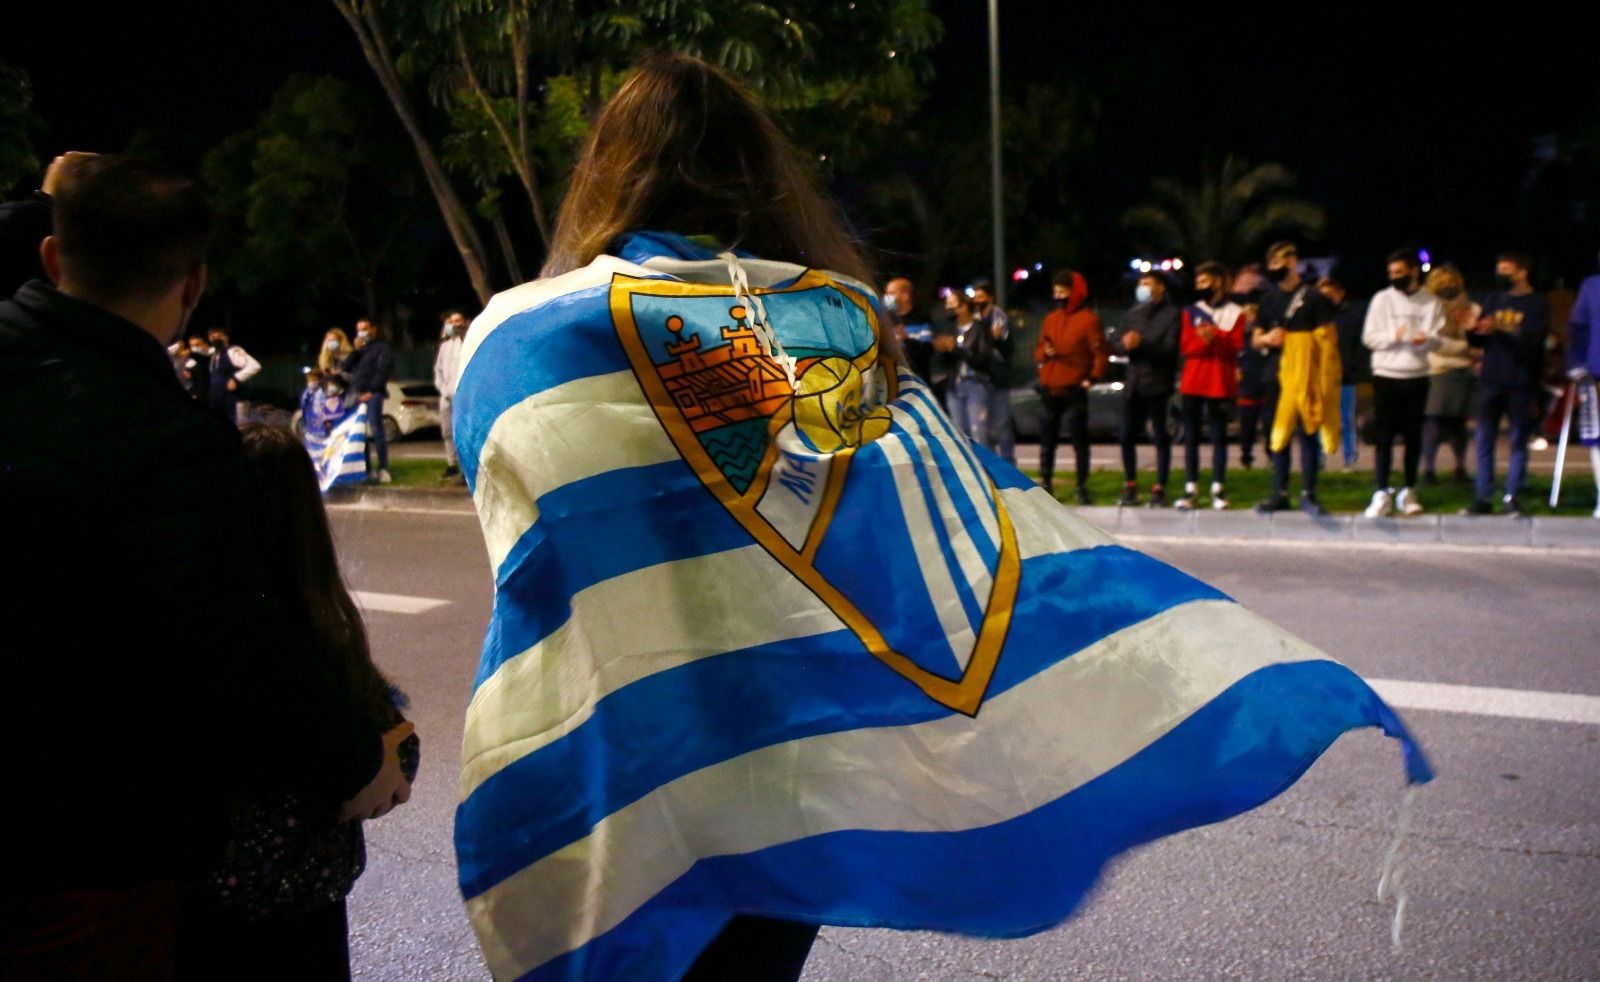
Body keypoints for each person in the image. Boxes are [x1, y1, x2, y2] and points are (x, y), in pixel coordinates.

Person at [451, 55, 1431, 982]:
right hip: (787, 769)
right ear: (758, 179)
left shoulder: (522, 339)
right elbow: (932, 533)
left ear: (606, 176)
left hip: (620, 763)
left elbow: (517, 518)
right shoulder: (834, 324)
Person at [0, 154, 407, 979]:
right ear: (192, 285)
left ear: (50, 257)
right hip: (80, 847)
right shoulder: (166, 442)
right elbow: (228, 634)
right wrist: (359, 757)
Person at [179, 424, 417, 980]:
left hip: (207, 898)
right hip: (306, 903)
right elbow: (392, 752)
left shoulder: (199, 613)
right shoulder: (319, 625)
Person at [1253, 241, 1340, 516]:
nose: (1275, 268)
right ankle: (1278, 492)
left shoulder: (1314, 298)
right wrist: (1267, 338)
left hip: (1306, 378)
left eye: (1281, 262)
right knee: (1277, 436)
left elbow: (1328, 340)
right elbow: (1256, 338)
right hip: (1274, 374)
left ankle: (1308, 493)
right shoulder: (1267, 300)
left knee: (1309, 433)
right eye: (1272, 263)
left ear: (1293, 262)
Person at [1361, 249, 1445, 517]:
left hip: (1417, 375)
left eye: (1399, 272)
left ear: (1412, 271)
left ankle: (1409, 490)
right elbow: (1369, 337)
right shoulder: (1382, 300)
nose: (1394, 277)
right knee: (1384, 437)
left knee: (1413, 437)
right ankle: (1382, 491)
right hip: (1386, 374)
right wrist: (1393, 337)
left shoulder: (1430, 302)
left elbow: (1439, 338)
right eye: (1391, 273)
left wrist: (1426, 340)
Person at [1464, 251, 1549, 515]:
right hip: (1491, 379)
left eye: (1506, 270)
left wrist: (1500, 329)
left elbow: (1534, 344)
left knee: (1517, 441)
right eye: (1499, 269)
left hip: (1520, 380)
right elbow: (1481, 340)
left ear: (1522, 272)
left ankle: (1512, 496)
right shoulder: (1494, 299)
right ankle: (1483, 497)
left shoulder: (1537, 303)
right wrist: (1471, 329)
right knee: (1484, 439)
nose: (1500, 275)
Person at [1174, 262, 1245, 510]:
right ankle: (1190, 487)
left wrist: (1215, 337)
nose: (1199, 287)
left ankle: (1218, 488)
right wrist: (1207, 341)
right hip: (1193, 381)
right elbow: (1187, 347)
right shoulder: (1191, 311)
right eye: (1198, 282)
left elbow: (1234, 347)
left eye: (1204, 282)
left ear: (1218, 282)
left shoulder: (1236, 312)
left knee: (1219, 437)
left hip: (1220, 382)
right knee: (1191, 436)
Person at [1034, 268, 1107, 502]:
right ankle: (1046, 482)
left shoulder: (1089, 320)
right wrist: (1044, 353)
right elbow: (1038, 349)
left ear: (1074, 293)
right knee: (1047, 440)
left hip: (1074, 388)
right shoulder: (1051, 319)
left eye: (1062, 291)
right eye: (1055, 292)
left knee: (1079, 441)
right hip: (1050, 388)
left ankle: (1082, 486)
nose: (1058, 296)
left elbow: (1101, 353)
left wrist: (1091, 379)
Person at [1113, 270, 1180, 506]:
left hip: (1158, 383)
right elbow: (1117, 345)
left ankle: (1160, 487)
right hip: (1134, 383)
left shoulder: (1172, 314)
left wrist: (1143, 343)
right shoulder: (1133, 314)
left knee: (1160, 436)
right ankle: (1130, 485)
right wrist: (1123, 344)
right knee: (1126, 435)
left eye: (1147, 283)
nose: (1142, 287)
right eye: (1140, 283)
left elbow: (1170, 349)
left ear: (1160, 287)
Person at [1421, 264, 1477, 484]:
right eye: (1443, 282)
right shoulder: (1427, 310)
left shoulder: (1470, 308)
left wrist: (1465, 347)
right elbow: (1433, 343)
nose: (1448, 287)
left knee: (1458, 425)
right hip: (1437, 371)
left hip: (1461, 372)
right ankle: (1429, 470)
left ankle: (1459, 469)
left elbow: (1476, 339)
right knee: (1433, 423)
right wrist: (1465, 348)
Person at [1320, 275, 1369, 469]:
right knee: (1321, 420)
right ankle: (1320, 460)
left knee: (1346, 420)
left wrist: (1354, 367)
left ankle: (1349, 459)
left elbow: (1359, 345)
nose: (1327, 299)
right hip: (1322, 377)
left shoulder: (1352, 315)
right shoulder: (1316, 317)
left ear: (1340, 294)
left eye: (1331, 294)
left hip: (1345, 376)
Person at [1565, 258, 1600, 518]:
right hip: (1596, 373)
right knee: (1598, 440)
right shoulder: (1592, 286)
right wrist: (1577, 362)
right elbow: (1578, 328)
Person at [342, 318, 393, 483]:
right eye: (359, 329)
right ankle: (367, 469)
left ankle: (383, 468)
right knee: (360, 433)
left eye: (365, 328)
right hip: (357, 395)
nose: (362, 332)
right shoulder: (361, 350)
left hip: (374, 394)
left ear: (373, 329)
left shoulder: (382, 348)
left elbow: (383, 371)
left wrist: (371, 391)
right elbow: (345, 367)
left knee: (376, 430)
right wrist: (356, 351)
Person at [944, 289, 996, 448]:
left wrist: (957, 349)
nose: (950, 310)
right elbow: (944, 363)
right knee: (959, 434)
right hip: (954, 386)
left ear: (964, 306)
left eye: (953, 306)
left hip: (976, 384)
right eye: (947, 306)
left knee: (979, 432)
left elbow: (982, 360)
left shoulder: (980, 329)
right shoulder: (950, 330)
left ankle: (984, 470)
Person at [972, 279, 1016, 464]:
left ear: (990, 298)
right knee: (983, 428)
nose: (978, 301)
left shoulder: (1000, 318)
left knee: (1002, 426)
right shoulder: (974, 319)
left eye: (981, 297)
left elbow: (1008, 351)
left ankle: (1008, 465)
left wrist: (997, 339)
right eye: (976, 298)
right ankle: (990, 468)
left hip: (998, 380)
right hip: (979, 380)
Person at [1232, 268, 1270, 469]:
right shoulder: (1239, 338)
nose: (1249, 317)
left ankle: (1272, 455)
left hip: (1265, 382)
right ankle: (1246, 457)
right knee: (1246, 424)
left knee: (1269, 423)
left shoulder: (1264, 334)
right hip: (1246, 385)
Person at [435, 309, 469, 481]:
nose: (454, 325)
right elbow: (439, 371)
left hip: (460, 395)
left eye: (457, 321)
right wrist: (443, 389)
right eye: (451, 322)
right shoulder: (444, 346)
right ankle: (452, 463)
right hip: (446, 395)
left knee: (460, 432)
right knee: (447, 431)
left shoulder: (467, 342)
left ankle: (465, 469)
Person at [207, 325, 261, 425]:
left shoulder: (233, 351)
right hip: (219, 400)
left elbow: (254, 366)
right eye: (212, 337)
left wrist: (235, 379)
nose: (214, 339)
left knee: (239, 426)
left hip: (233, 400)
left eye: (217, 336)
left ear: (225, 337)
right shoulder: (215, 353)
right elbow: (205, 350)